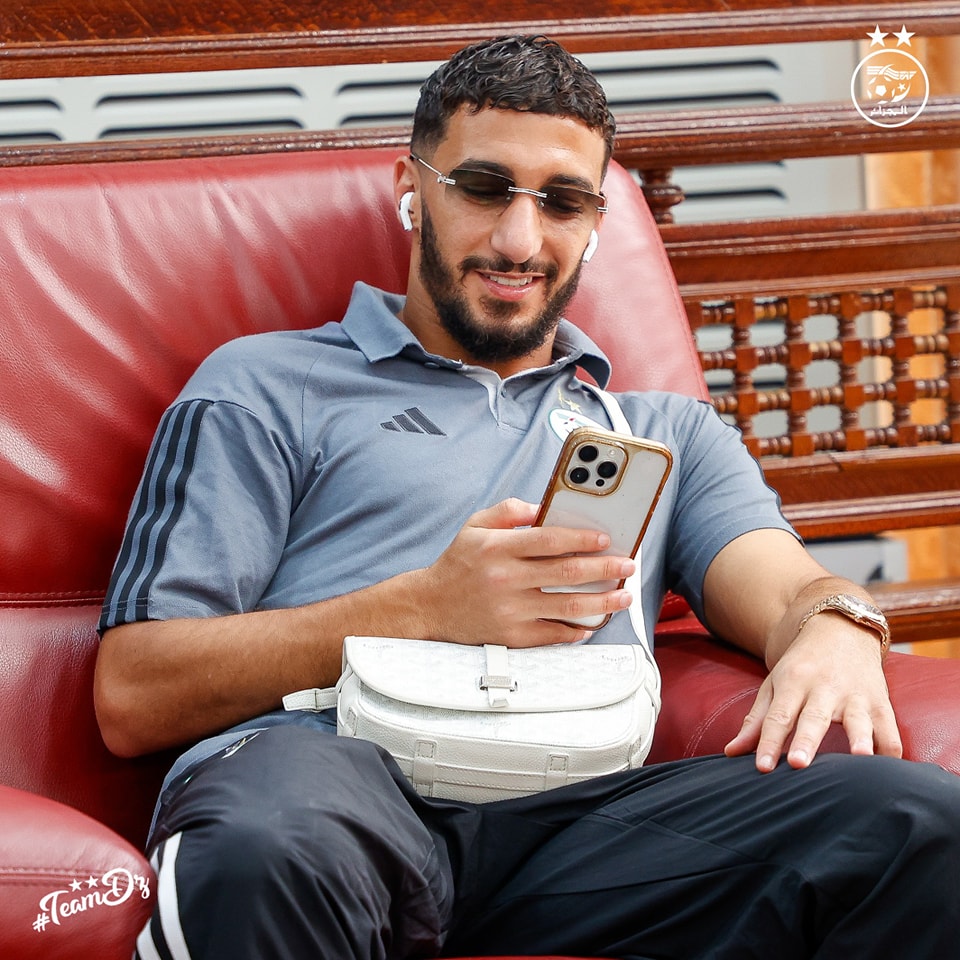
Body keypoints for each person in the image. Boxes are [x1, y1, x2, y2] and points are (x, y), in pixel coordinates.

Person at [94, 34, 960, 960]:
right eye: (483, 187)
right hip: (326, 778)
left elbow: (789, 593)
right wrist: (425, 609)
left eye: (562, 201)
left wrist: (838, 625)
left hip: (580, 820)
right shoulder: (264, 385)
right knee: (266, 846)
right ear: (411, 188)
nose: (519, 239)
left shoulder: (661, 432)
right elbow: (133, 691)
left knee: (918, 825)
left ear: (595, 222)